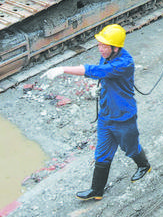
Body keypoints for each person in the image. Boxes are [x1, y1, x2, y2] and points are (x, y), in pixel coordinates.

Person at [43, 24, 151, 201]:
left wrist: (63, 69)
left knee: (130, 148)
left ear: (116, 47)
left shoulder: (124, 63)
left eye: (104, 46)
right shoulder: (107, 57)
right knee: (102, 153)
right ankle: (97, 190)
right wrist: (100, 88)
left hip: (123, 117)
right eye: (99, 45)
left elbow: (97, 71)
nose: (100, 49)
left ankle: (144, 165)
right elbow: (103, 75)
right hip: (106, 115)